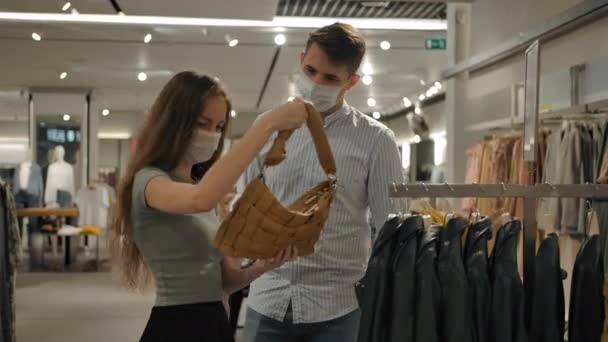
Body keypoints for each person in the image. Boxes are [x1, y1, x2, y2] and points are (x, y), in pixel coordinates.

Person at [110, 71, 309, 342]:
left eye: (218, 127)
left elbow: (224, 281)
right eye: (203, 124)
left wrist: (262, 266)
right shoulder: (150, 181)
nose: (211, 135)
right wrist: (267, 125)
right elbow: (199, 200)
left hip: (213, 321)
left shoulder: (201, 188)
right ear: (174, 123)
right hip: (177, 324)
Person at [240, 23, 404, 342]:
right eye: (310, 70)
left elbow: (391, 231)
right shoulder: (267, 129)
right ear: (301, 60)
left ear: (352, 81)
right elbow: (246, 207)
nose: (316, 83)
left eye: (330, 78)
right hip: (267, 300)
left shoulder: (376, 140)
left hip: (337, 308)